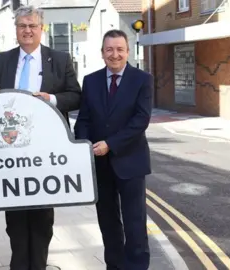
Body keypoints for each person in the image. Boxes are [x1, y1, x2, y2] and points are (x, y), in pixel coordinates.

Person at [0, 5, 82, 270]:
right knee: (15, 222)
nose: (27, 30)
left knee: (41, 221)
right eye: (22, 26)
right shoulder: (1, 60)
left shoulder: (59, 59)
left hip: (45, 154)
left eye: (32, 26)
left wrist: (51, 99)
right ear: (15, 29)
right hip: (10, 154)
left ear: (41, 29)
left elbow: (76, 95)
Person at [73, 29, 153, 270]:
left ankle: (137, 266)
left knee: (134, 223)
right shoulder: (91, 80)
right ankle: (115, 266)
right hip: (100, 164)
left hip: (131, 162)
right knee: (108, 223)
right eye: (109, 49)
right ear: (102, 53)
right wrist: (83, 145)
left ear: (128, 51)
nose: (115, 54)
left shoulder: (142, 79)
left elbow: (141, 120)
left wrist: (110, 144)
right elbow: (84, 119)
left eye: (120, 49)